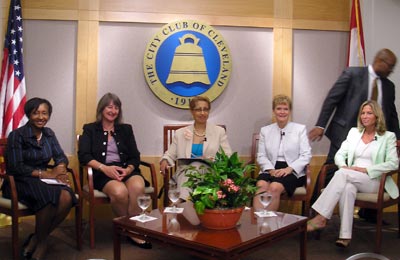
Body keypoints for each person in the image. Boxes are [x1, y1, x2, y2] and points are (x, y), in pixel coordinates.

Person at [308, 48, 399, 221]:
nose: (391, 71)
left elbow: (391, 114)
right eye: (390, 66)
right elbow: (332, 99)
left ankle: (369, 212)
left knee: (372, 169)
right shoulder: (352, 74)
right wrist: (321, 125)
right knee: (332, 169)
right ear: (380, 61)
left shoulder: (389, 86)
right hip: (344, 133)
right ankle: (314, 210)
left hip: (374, 137)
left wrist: (398, 138)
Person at [307, 100, 399, 248]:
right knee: (347, 187)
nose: (365, 116)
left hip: (375, 180)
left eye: (369, 113)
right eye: (362, 113)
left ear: (377, 116)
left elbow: (393, 163)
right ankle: (345, 236)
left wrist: (366, 170)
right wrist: (344, 166)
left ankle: (321, 217)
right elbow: (339, 155)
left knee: (343, 175)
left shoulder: (388, 136)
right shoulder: (353, 133)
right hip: (351, 176)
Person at [2, 97, 76, 260]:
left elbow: (61, 156)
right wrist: (47, 174)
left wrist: (60, 170)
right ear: (29, 114)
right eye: (36, 113)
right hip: (19, 181)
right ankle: (42, 244)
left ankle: (37, 237)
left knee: (67, 196)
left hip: (44, 181)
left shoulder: (49, 134)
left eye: (45, 113)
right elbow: (16, 167)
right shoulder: (17, 135)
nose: (41, 117)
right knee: (47, 196)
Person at [78, 92, 151, 249]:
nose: (113, 111)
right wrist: (105, 168)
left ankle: (130, 229)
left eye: (116, 107)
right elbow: (83, 156)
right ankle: (133, 230)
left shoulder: (126, 129)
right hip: (102, 173)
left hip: (126, 170)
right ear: (102, 109)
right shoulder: (90, 129)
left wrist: (129, 169)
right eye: (109, 107)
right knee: (120, 192)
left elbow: (135, 156)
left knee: (138, 187)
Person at [160, 96, 232, 223]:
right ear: (192, 111)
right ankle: (193, 218)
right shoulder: (181, 133)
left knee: (198, 165)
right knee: (193, 168)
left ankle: (180, 202)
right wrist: (165, 160)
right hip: (185, 173)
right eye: (198, 110)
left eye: (205, 109)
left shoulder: (218, 132)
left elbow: (228, 156)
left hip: (209, 174)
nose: (202, 113)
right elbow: (170, 154)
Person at [253, 95, 312, 212]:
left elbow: (306, 155)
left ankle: (270, 226)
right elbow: (261, 155)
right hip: (270, 167)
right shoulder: (265, 130)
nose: (282, 112)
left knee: (274, 187)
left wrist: (289, 169)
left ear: (290, 111)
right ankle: (257, 224)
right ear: (273, 111)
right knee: (261, 185)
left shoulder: (300, 129)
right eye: (279, 108)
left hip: (293, 170)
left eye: (285, 109)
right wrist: (270, 170)